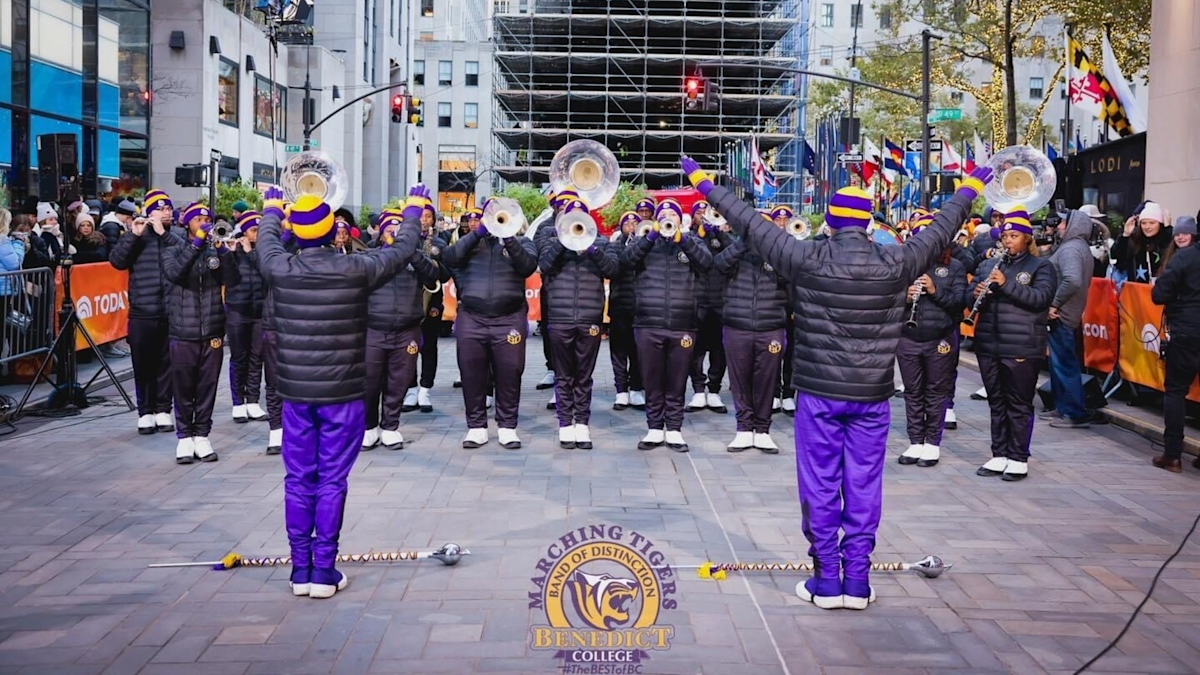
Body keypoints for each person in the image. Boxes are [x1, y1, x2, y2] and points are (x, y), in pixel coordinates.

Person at [686, 153, 992, 610]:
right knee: (864, 487)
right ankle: (858, 582)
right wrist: (968, 190)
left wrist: (704, 183)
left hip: (819, 393)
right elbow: (940, 230)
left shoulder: (804, 256)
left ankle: (827, 580)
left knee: (820, 485)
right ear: (868, 224)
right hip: (872, 395)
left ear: (829, 223)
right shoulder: (898, 261)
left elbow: (748, 222)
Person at [257, 185, 422, 599]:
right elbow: (402, 250)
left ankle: (300, 570)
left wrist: (273, 209)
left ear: (297, 233)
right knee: (331, 480)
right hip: (344, 393)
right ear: (334, 232)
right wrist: (413, 212)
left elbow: (266, 241)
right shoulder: (356, 269)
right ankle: (324, 570)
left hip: (296, 394)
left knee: (298, 479)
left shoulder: (279, 267)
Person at [440, 197, 539, 450]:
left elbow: (527, 267)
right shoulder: (471, 242)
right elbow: (450, 258)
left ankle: (507, 427)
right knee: (471, 373)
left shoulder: (523, 242)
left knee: (510, 372)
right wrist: (478, 233)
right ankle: (476, 427)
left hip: (509, 319)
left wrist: (508, 238)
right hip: (472, 318)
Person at [969, 207, 1057, 482]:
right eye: (1005, 236)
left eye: (1014, 236)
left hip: (1022, 345)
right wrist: (974, 294)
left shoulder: (1041, 266)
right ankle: (999, 454)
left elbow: (1039, 299)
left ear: (1027, 238)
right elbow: (969, 300)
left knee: (1018, 403)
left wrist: (1006, 284)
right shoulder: (990, 266)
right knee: (996, 401)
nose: (1008, 241)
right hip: (989, 343)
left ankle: (1018, 457)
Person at [620, 199, 713, 452]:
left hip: (683, 324)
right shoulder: (645, 240)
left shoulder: (691, 241)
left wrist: (682, 239)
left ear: (680, 219)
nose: (668, 217)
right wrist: (650, 237)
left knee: (677, 380)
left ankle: (673, 429)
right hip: (648, 323)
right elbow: (626, 262)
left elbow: (706, 263)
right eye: (664, 214)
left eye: (673, 214)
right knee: (652, 379)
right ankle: (654, 428)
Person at [537, 199, 618, 449]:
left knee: (584, 376)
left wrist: (591, 247)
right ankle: (565, 424)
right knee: (563, 376)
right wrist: (564, 241)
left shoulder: (601, 242)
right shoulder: (552, 239)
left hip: (589, 318)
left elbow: (613, 270)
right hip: (560, 318)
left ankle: (582, 424)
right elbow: (544, 266)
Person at [162, 202, 238, 464]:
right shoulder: (173, 248)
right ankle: (184, 436)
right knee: (183, 385)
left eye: (208, 220)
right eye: (199, 220)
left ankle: (202, 435)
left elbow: (233, 280)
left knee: (208, 385)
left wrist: (224, 251)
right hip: (183, 329)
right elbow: (175, 274)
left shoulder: (214, 250)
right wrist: (196, 245)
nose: (205, 224)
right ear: (188, 224)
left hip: (213, 329)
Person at [361, 213, 443, 451]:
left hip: (407, 330)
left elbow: (432, 276)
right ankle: (368, 427)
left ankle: (390, 427)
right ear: (381, 233)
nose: (393, 234)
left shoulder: (415, 257)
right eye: (389, 230)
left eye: (399, 230)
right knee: (369, 382)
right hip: (374, 329)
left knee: (399, 381)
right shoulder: (370, 256)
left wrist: (410, 252)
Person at [713, 210, 790, 453]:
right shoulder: (738, 249)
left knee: (767, 380)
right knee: (739, 380)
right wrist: (744, 242)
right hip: (737, 325)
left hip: (771, 327)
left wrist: (772, 250)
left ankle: (763, 430)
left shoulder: (780, 255)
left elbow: (792, 279)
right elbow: (719, 265)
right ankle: (744, 429)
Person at [895, 214, 969, 468]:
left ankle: (932, 443)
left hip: (940, 338)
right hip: (908, 337)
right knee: (913, 391)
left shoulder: (955, 267)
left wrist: (935, 290)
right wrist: (905, 297)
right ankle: (915, 440)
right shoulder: (905, 266)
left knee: (936, 392)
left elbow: (959, 303)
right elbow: (887, 299)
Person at [110, 189, 179, 435]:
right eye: (160, 209)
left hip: (171, 310)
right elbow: (117, 261)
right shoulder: (137, 234)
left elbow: (187, 256)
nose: (166, 213)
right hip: (142, 310)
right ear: (150, 213)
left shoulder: (175, 235)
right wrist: (132, 235)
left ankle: (163, 409)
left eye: (168, 208)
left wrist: (165, 234)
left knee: (167, 363)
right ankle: (145, 411)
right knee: (143, 363)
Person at [1151, 215, 1200, 473]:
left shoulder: (1185, 257)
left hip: (1187, 331)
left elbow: (1159, 294)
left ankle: (1172, 455)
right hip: (1189, 329)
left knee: (1175, 391)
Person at [1038, 210, 1096, 429]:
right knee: (1058, 364)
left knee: (1065, 365)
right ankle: (1062, 407)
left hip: (1062, 314)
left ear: (1073, 225)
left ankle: (1074, 413)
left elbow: (1072, 280)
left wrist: (1054, 304)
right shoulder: (1073, 247)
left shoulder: (1071, 249)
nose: (1058, 226)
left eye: (1063, 222)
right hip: (1066, 312)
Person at [403, 204, 451, 414]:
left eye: (428, 216)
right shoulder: (404, 242)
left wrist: (435, 266)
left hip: (432, 300)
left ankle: (425, 390)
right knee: (408, 346)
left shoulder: (439, 244)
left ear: (433, 220)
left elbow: (447, 274)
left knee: (429, 346)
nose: (424, 220)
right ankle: (411, 389)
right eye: (421, 216)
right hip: (408, 299)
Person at [687, 201, 731, 414]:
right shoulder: (688, 237)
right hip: (696, 300)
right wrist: (701, 235)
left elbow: (733, 251)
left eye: (707, 213)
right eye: (699, 213)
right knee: (695, 349)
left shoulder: (722, 237)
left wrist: (719, 233)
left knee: (719, 349)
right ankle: (697, 389)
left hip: (721, 300)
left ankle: (714, 390)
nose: (703, 216)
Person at [225, 211, 269, 424]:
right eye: (253, 230)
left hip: (259, 311)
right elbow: (227, 277)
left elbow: (267, 273)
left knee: (257, 356)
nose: (257, 234)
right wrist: (230, 254)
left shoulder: (264, 251)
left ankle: (253, 400)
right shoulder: (233, 249)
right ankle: (238, 402)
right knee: (238, 357)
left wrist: (252, 252)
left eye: (259, 230)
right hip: (237, 310)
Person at [608, 212, 645, 411]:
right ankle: (621, 389)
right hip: (620, 305)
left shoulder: (647, 246)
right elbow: (614, 268)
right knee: (619, 351)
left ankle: (636, 388)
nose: (631, 226)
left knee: (638, 351)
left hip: (641, 307)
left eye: (635, 223)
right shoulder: (614, 246)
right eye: (627, 223)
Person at [1112, 201, 1173, 282]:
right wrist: (1125, 235)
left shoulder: (1166, 239)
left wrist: (1168, 229)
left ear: (1160, 224)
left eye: (1152, 223)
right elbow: (1118, 260)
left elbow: (1171, 255)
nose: (1147, 227)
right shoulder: (1134, 240)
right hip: (1135, 288)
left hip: (1159, 288)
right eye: (1143, 223)